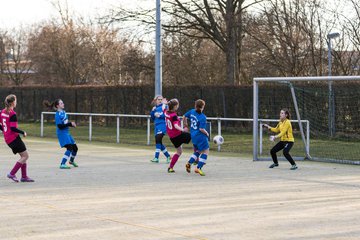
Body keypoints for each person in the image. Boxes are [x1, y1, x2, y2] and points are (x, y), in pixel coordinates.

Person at [0, 94, 34, 182]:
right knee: (25, 156)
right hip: (14, 138)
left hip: (8, 139)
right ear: (12, 102)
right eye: (15, 100)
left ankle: (24, 176)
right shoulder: (12, 114)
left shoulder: (2, 112)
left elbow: (4, 126)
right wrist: (23, 132)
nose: (16, 102)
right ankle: (12, 173)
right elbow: (13, 128)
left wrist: (4, 130)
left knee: (23, 156)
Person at [44, 99, 79, 169]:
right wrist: (69, 124)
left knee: (75, 148)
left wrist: (72, 125)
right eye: (61, 103)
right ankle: (62, 164)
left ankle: (71, 161)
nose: (63, 104)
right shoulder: (57, 115)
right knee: (69, 148)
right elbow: (60, 126)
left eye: (63, 103)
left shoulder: (64, 112)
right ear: (57, 106)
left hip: (67, 133)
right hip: (62, 133)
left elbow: (65, 124)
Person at [163, 98, 191, 173]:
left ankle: (170, 168)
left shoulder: (166, 112)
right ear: (175, 106)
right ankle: (196, 158)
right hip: (178, 135)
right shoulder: (174, 115)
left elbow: (164, 108)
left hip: (172, 137)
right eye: (177, 104)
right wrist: (183, 129)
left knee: (179, 152)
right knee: (193, 137)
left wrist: (165, 103)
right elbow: (175, 126)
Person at [183, 99, 209, 176]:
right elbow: (201, 129)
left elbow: (184, 116)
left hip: (193, 136)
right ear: (203, 107)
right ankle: (199, 168)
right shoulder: (203, 117)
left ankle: (189, 163)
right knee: (206, 151)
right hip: (200, 136)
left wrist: (185, 125)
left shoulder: (192, 111)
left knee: (198, 151)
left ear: (195, 105)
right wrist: (207, 133)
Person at [150, 95, 171, 163]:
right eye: (158, 99)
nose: (160, 100)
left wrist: (160, 115)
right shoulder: (155, 108)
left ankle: (156, 157)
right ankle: (168, 156)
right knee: (159, 142)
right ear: (156, 100)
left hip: (163, 126)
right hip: (157, 126)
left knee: (158, 140)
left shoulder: (164, 106)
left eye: (161, 99)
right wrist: (152, 112)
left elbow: (167, 115)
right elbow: (152, 118)